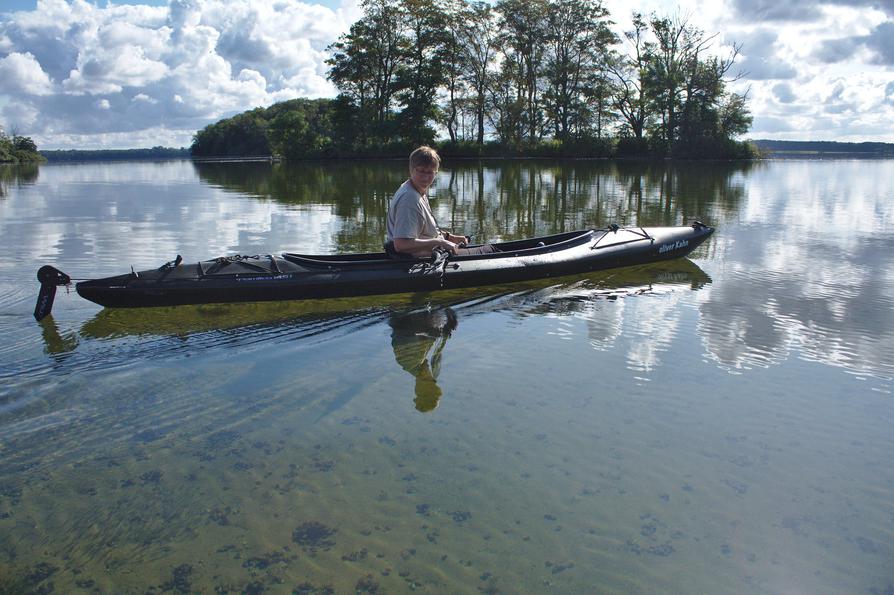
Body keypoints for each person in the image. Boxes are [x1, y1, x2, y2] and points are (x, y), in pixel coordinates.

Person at [385, 146, 497, 258]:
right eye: (421, 171)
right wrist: (440, 243)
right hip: (421, 260)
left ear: (436, 173)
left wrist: (449, 237)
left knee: (494, 250)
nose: (425, 177)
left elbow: (424, 230)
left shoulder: (416, 190)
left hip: (434, 253)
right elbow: (401, 245)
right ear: (411, 169)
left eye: (430, 172)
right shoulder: (409, 199)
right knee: (490, 251)